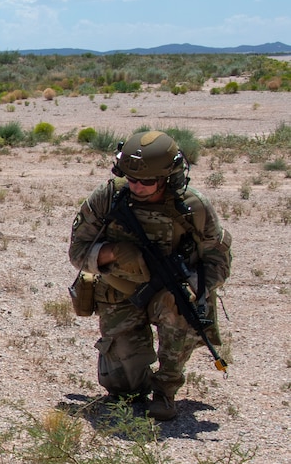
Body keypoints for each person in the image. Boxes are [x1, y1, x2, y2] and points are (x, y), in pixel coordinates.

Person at [68, 130, 232, 421]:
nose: (137, 187)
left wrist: (194, 290)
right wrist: (114, 253)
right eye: (131, 179)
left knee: (179, 304)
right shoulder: (109, 197)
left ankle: (166, 389)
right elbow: (78, 252)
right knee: (124, 389)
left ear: (168, 178)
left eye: (147, 181)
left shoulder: (193, 206)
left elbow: (217, 259)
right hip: (120, 292)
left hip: (170, 293)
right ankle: (137, 375)